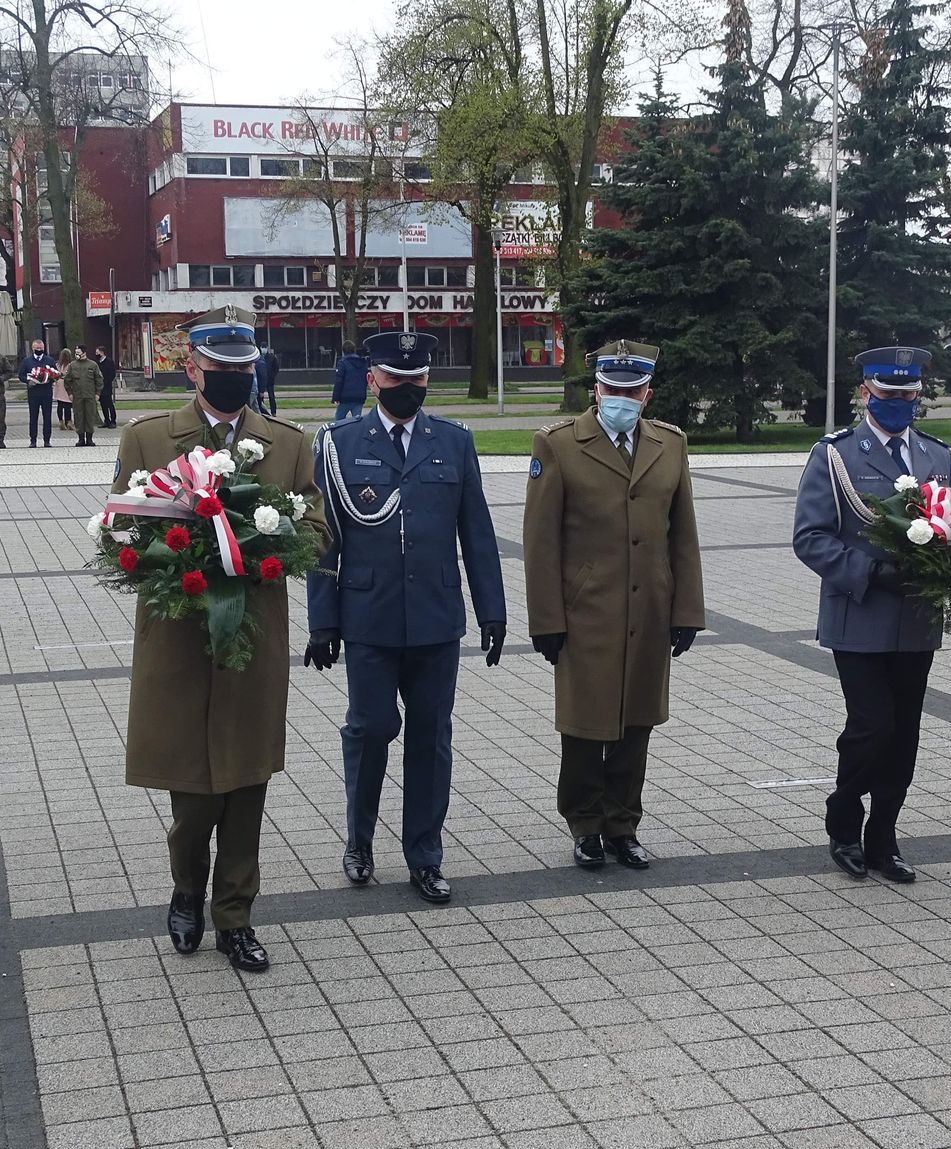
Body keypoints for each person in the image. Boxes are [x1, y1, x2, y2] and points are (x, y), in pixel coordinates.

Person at [112, 306, 327, 973]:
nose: (234, 380)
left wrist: (271, 547)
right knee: (193, 788)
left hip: (251, 638)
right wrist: (178, 556)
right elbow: (121, 529)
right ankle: (186, 887)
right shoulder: (150, 440)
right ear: (192, 369)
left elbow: (318, 530)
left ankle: (235, 914)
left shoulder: (287, 443)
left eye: (244, 370)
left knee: (245, 780)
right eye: (220, 370)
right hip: (179, 636)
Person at [306, 330, 507, 905]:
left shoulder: (453, 441)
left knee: (431, 738)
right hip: (367, 617)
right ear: (373, 379)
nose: (408, 389)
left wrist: (491, 608)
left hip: (436, 620)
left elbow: (477, 533)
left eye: (417, 380)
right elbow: (325, 541)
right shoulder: (341, 443)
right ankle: (360, 841)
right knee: (369, 731)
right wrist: (323, 621)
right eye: (396, 379)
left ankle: (425, 855)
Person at [523, 340, 705, 869]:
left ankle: (623, 823)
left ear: (646, 393)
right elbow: (539, 541)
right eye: (611, 389)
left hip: (650, 605)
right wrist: (546, 619)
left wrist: (687, 609)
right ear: (596, 389)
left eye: (631, 390)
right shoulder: (557, 443)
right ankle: (584, 823)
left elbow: (683, 535)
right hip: (587, 610)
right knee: (585, 722)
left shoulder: (670, 444)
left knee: (637, 720)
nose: (620, 398)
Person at [793, 347, 951, 884]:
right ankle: (844, 816)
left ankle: (884, 839)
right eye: (889, 395)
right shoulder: (836, 455)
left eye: (910, 396)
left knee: (904, 731)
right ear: (866, 393)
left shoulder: (935, 455)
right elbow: (810, 538)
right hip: (860, 614)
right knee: (871, 725)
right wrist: (869, 573)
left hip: (916, 619)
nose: (900, 404)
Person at [18, 338, 58, 448]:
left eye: (40, 348)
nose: (39, 350)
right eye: (37, 348)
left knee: (47, 417)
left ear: (44, 348)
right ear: (33, 348)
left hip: (46, 392)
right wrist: (28, 381)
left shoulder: (49, 360)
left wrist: (50, 378)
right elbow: (21, 375)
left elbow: (55, 374)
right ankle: (33, 440)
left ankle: (47, 440)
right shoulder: (27, 361)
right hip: (33, 392)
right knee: (33, 417)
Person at [63, 343, 102, 447]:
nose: (77, 355)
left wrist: (98, 393)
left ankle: (89, 438)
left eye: (78, 353)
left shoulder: (93, 365)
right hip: (77, 396)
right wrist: (70, 393)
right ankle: (81, 438)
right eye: (75, 353)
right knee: (78, 417)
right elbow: (67, 380)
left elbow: (99, 380)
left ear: (84, 353)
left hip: (90, 395)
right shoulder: (72, 365)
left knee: (90, 416)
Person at [330, 341, 369, 421]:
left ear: (343, 351)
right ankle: (357, 433)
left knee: (338, 421)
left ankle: (339, 433)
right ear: (354, 350)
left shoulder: (342, 363)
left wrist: (336, 397)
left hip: (345, 397)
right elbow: (365, 379)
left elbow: (339, 381)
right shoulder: (362, 363)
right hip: (359, 397)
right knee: (357, 421)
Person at [95, 346, 118, 427]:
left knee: (109, 404)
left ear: (102, 352)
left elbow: (112, 374)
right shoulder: (98, 363)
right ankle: (106, 420)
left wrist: (106, 382)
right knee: (103, 405)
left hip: (107, 386)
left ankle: (113, 421)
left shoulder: (109, 361)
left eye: (97, 352)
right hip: (100, 387)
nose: (96, 354)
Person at [55, 348, 74, 431]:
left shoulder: (58, 365)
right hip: (67, 385)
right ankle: (68, 421)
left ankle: (61, 421)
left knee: (60, 405)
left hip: (59, 384)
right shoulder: (71, 365)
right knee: (68, 405)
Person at [259, 342, 280, 415]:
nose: (263, 348)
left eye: (264, 347)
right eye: (262, 347)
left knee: (271, 396)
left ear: (267, 347)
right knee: (260, 397)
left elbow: (276, 368)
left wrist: (272, 376)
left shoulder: (272, 357)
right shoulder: (258, 356)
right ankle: (262, 412)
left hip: (270, 380)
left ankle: (273, 412)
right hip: (261, 380)